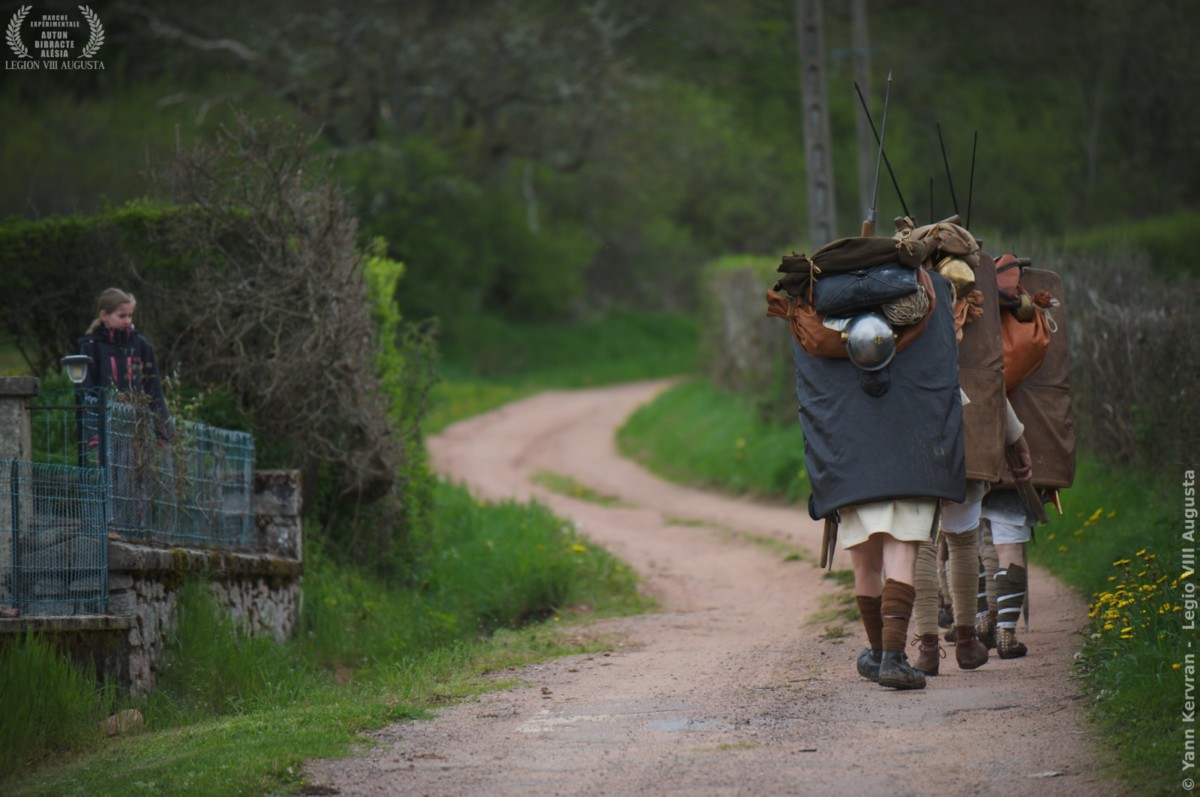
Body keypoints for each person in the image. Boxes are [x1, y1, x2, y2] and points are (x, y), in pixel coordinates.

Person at [77, 288, 171, 534]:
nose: (128, 320)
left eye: (130, 315)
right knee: (108, 483)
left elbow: (154, 390)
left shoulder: (141, 346)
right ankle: (107, 532)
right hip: (105, 428)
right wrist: (93, 433)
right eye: (122, 315)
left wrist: (162, 431)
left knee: (134, 484)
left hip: (136, 428)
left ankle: (133, 534)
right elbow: (86, 393)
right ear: (104, 315)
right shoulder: (90, 347)